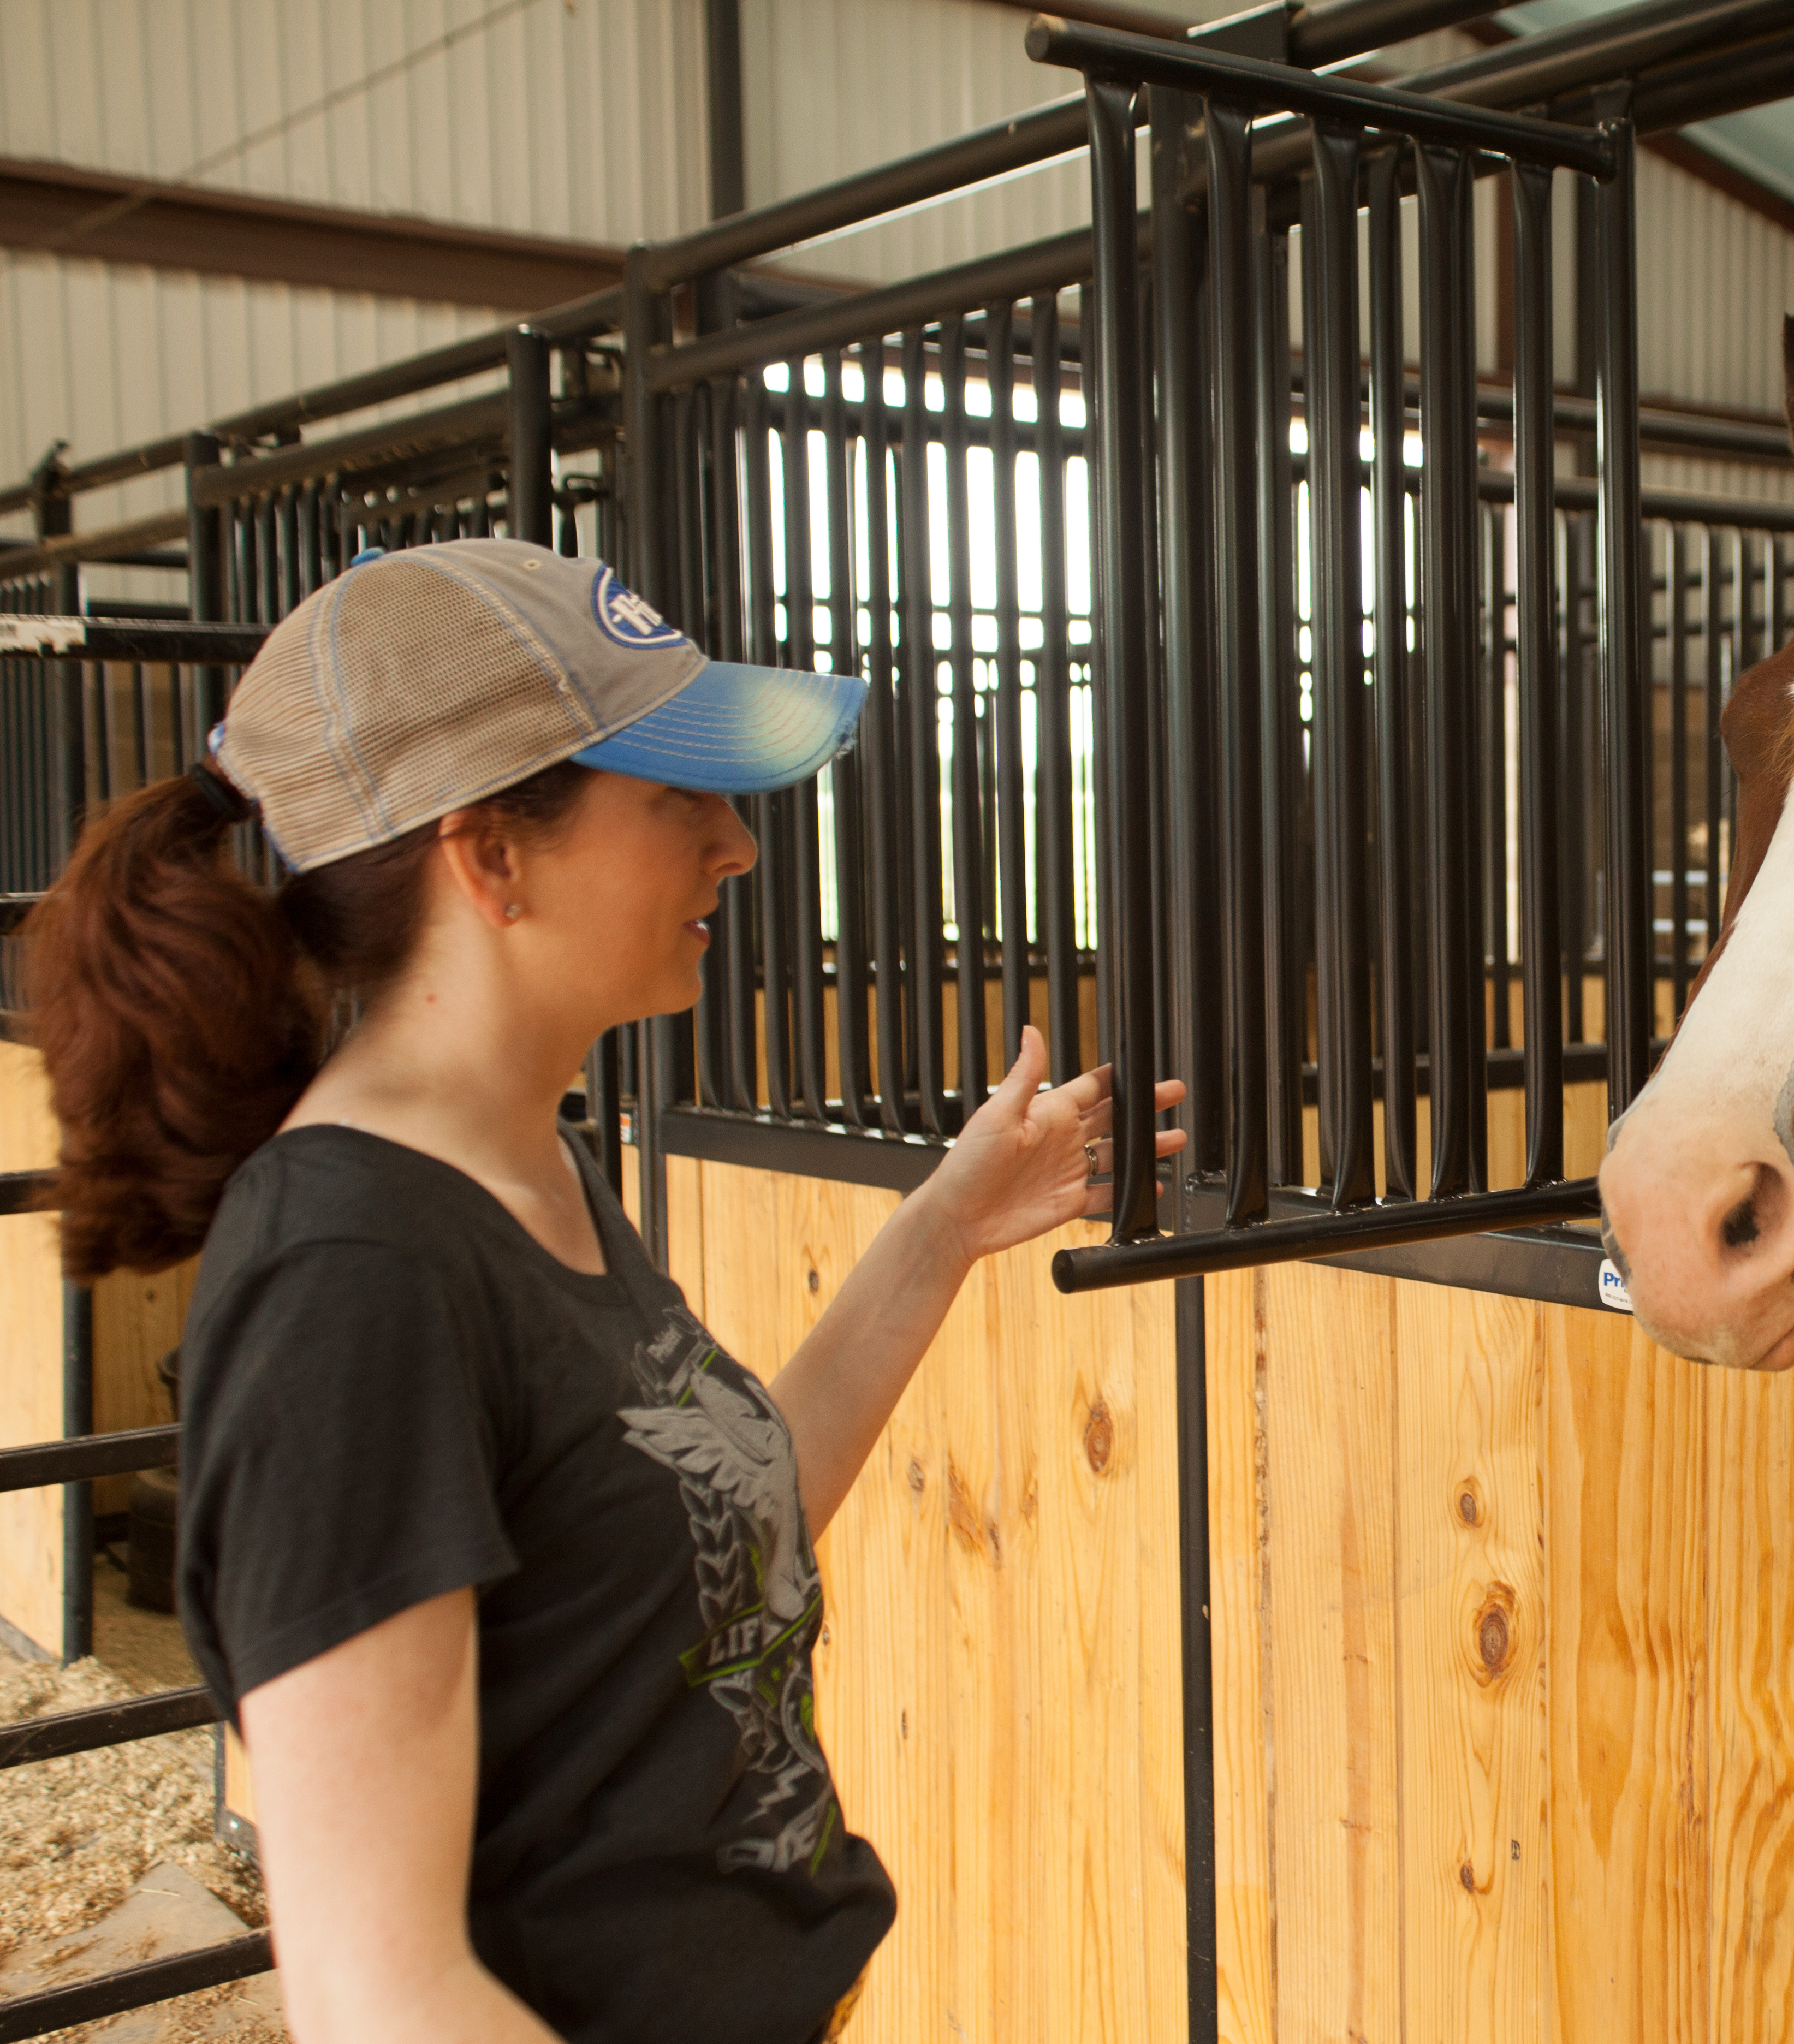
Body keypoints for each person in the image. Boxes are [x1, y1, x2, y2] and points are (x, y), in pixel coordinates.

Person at [22, 538, 1181, 2044]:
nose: (736, 845)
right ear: (491, 854)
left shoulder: (530, 1168)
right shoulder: (354, 1285)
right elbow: (385, 1998)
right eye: (669, 797)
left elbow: (703, 1527)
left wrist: (945, 1225)